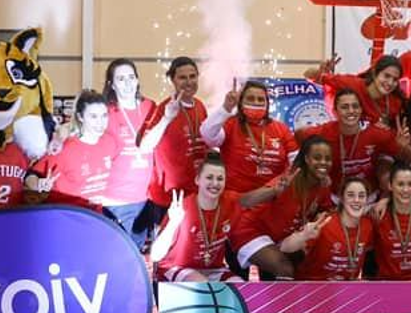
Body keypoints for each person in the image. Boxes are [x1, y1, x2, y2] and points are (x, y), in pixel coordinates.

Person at [228, 136, 334, 279]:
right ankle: (283, 302)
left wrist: (321, 216)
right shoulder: (289, 179)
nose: (323, 162)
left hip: (281, 237)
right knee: (284, 268)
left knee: (304, 265)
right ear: (307, 159)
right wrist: (273, 191)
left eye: (327, 159)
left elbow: (325, 208)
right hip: (251, 231)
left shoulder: (323, 185)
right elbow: (245, 201)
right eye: (317, 158)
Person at [138, 57, 210, 227]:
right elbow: (144, 146)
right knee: (166, 250)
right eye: (182, 78)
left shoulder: (200, 106)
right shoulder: (165, 108)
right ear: (172, 80)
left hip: (195, 194)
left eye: (192, 76)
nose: (189, 82)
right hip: (168, 197)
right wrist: (166, 119)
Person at [149, 153, 242, 282]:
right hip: (177, 267)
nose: (215, 183)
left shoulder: (229, 204)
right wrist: (174, 223)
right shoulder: (182, 207)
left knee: (239, 285)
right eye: (209, 177)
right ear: (197, 180)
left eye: (220, 179)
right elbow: (155, 255)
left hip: (213, 269)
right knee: (202, 284)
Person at [295, 89, 406, 195]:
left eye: (355, 106)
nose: (351, 111)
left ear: (361, 109)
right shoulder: (324, 132)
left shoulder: (377, 133)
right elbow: (299, 134)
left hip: (369, 198)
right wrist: (316, 171)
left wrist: (403, 147)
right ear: (335, 111)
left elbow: (409, 157)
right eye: (344, 107)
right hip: (335, 197)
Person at [27, 90, 120, 212]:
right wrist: (39, 184)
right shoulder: (63, 149)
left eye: (104, 115)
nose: (100, 122)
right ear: (80, 117)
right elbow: (30, 177)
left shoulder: (110, 143)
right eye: (93, 116)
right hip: (66, 219)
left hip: (96, 218)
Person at [202, 79, 299, 195]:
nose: (256, 102)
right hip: (236, 201)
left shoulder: (281, 129)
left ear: (267, 103)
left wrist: (281, 183)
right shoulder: (231, 124)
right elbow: (207, 135)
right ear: (241, 102)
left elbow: (296, 162)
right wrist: (226, 108)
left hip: (270, 199)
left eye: (261, 99)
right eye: (250, 98)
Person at [102, 59, 158, 245]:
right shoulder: (106, 112)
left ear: (137, 80)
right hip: (115, 200)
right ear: (111, 85)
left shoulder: (150, 107)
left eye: (131, 77)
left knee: (136, 257)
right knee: (116, 256)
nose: (127, 83)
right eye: (120, 79)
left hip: (144, 199)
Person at [283, 177, 375, 281]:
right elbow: (285, 247)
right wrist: (302, 236)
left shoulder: (368, 225)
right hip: (312, 287)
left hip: (344, 289)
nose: (357, 200)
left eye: (362, 196)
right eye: (350, 195)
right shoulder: (325, 222)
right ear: (342, 198)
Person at [305, 54, 406, 130]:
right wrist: (321, 73)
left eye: (395, 79)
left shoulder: (395, 102)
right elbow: (308, 74)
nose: (390, 82)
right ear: (375, 73)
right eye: (386, 76)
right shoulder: (351, 84)